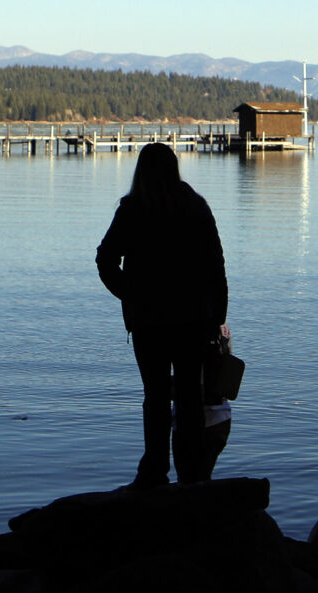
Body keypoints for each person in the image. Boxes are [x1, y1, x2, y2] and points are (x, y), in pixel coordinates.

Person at [95, 143, 229, 486]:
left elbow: (105, 259)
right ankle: (191, 473)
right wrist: (217, 318)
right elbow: (216, 268)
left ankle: (154, 471)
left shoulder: (133, 209)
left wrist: (131, 293)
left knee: (155, 396)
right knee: (189, 398)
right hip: (194, 320)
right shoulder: (196, 207)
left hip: (149, 321)